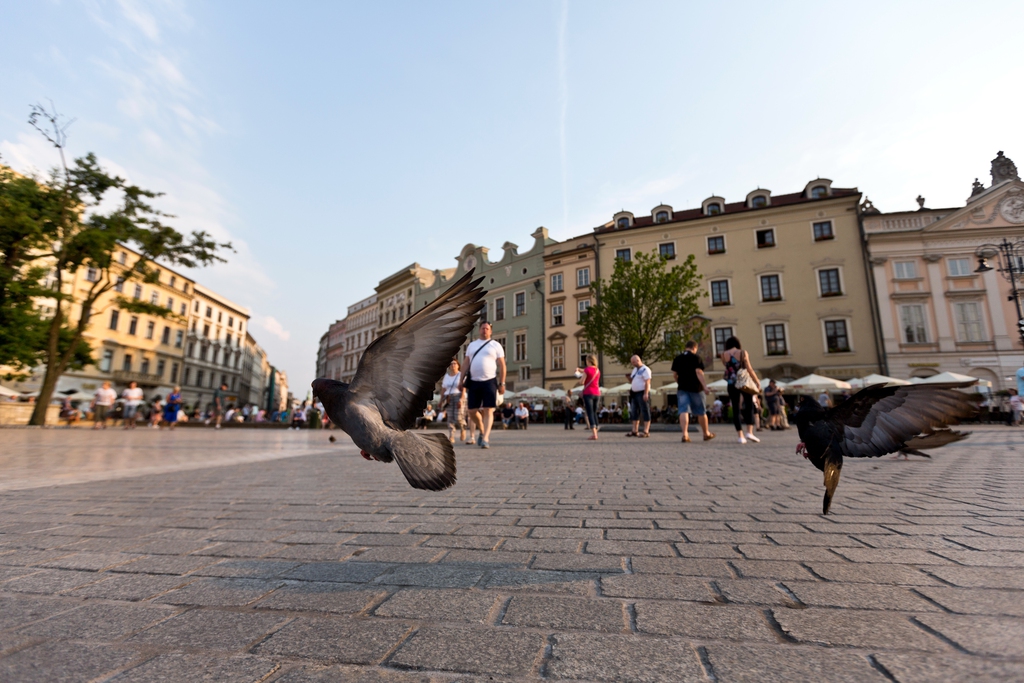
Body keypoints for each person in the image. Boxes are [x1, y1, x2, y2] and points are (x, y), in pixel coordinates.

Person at [458, 321, 506, 449]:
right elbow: (465, 363)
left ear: (490, 331)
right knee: (472, 411)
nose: (485, 330)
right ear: (479, 330)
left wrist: (502, 383)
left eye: (487, 328)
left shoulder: (496, 345)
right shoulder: (472, 345)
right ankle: (482, 429)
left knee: (488, 409)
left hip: (490, 381)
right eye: (483, 328)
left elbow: (502, 365)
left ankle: (485, 438)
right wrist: (460, 380)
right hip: (474, 381)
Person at [671, 340, 715, 443]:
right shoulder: (696, 358)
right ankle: (706, 434)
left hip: (682, 388)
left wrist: (679, 383)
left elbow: (674, 375)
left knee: (683, 410)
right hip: (696, 388)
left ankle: (685, 435)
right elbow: (699, 372)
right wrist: (705, 386)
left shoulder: (678, 358)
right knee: (701, 411)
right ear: (694, 348)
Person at [721, 336, 760, 444]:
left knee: (735, 409)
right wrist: (757, 381)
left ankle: (740, 436)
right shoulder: (743, 353)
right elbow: (749, 369)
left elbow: (727, 367)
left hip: (731, 383)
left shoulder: (724, 355)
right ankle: (749, 432)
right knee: (749, 406)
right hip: (744, 383)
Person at [441, 359, 469, 444]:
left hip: (458, 396)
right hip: (448, 397)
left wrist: (461, 398)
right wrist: (441, 400)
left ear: (458, 365)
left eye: (454, 364)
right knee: (450, 417)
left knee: (458, 416)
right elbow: (443, 388)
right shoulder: (446, 376)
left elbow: (464, 387)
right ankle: (451, 435)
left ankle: (463, 428)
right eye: (451, 364)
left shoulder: (461, 375)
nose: (453, 365)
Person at [575, 354, 601, 441]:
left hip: (588, 393)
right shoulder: (597, 370)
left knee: (589, 413)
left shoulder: (587, 369)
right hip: (597, 393)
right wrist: (580, 370)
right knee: (594, 412)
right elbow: (588, 371)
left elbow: (582, 382)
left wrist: (578, 377)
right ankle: (596, 428)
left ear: (588, 361)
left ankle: (594, 434)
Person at [625, 355, 652, 438]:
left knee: (644, 410)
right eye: (632, 362)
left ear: (638, 360)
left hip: (642, 392)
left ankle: (646, 431)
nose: (633, 364)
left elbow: (647, 381)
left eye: (633, 362)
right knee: (634, 411)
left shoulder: (645, 369)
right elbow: (633, 380)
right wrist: (629, 378)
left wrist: (646, 393)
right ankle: (634, 430)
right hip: (634, 393)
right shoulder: (634, 370)